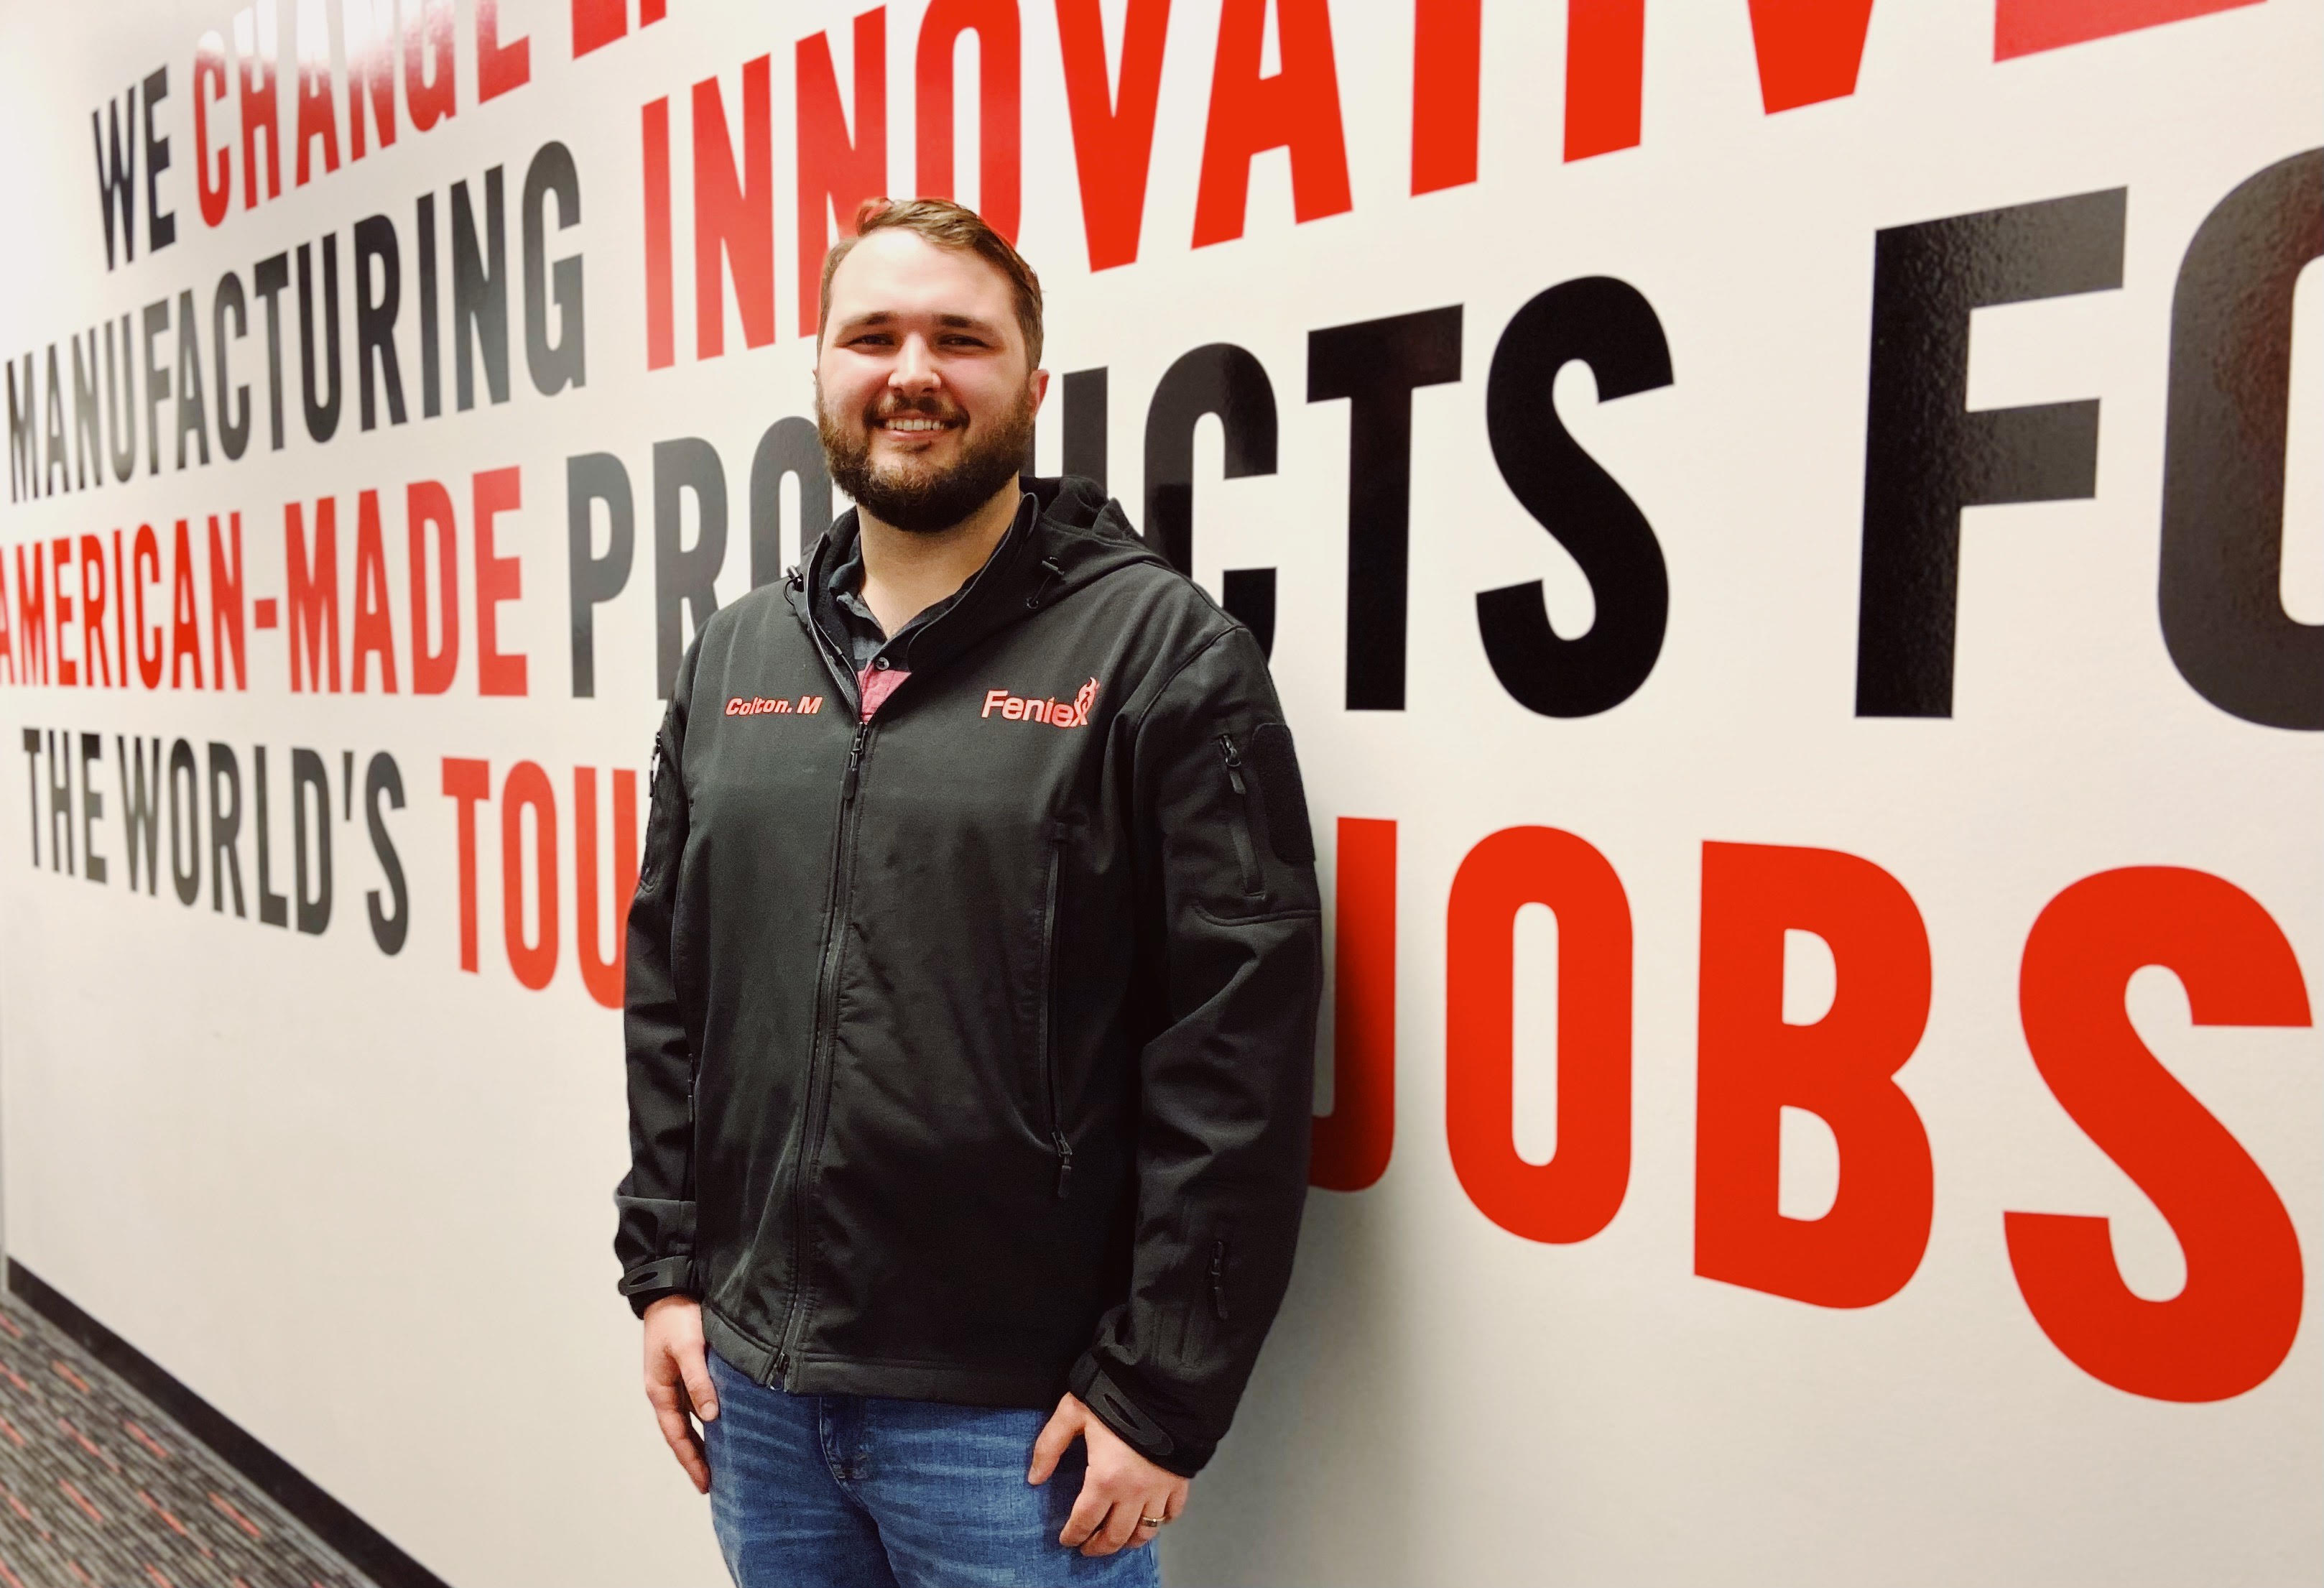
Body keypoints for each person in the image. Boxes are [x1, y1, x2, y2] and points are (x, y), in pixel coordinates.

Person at [614, 197, 1323, 1588]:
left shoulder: (1160, 653)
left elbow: (1235, 1046)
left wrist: (1162, 1386)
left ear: (1035, 383)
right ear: (819, 373)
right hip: (757, 1393)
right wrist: (668, 1269)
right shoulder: (734, 655)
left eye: (960, 338)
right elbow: (672, 994)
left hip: (1016, 1422)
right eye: (872, 335)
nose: (912, 372)